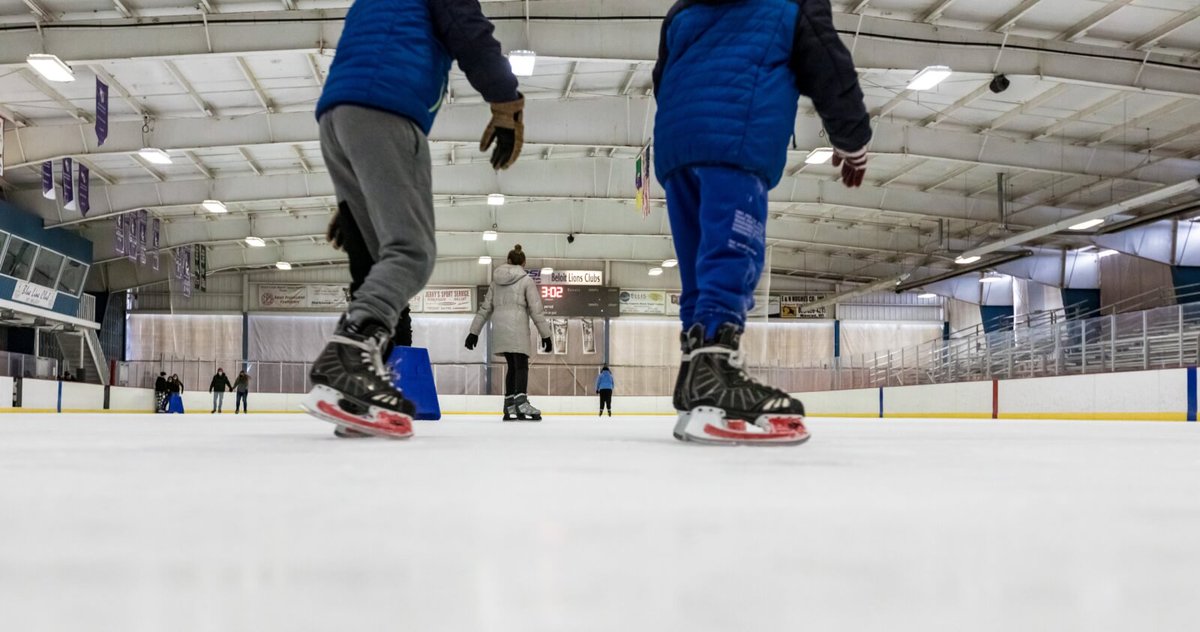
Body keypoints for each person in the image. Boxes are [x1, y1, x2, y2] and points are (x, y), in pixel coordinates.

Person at [303, 0, 525, 439]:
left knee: (372, 261)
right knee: (412, 252)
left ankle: (359, 391)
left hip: (338, 113)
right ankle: (348, 357)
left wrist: (363, 190)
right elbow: (468, 29)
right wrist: (506, 99)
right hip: (387, 105)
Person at [654, 0, 871, 445]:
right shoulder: (790, 3)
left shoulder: (682, 10)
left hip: (677, 145)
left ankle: (696, 373)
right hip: (737, 135)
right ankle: (716, 372)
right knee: (733, 252)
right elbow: (829, 67)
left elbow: (663, 79)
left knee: (699, 264)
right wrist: (854, 142)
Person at [466, 245, 552, 421]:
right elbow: (536, 310)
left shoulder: (495, 282)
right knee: (521, 365)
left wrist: (473, 332)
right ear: (524, 262)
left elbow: (485, 308)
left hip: (500, 329)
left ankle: (509, 405)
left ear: (508, 261)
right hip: (518, 327)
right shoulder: (526, 280)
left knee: (512, 367)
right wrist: (546, 335)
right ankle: (521, 403)